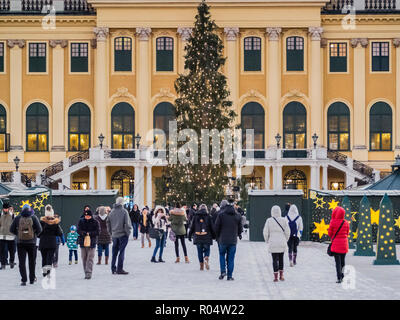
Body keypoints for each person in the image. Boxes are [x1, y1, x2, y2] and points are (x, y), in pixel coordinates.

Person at [10, 204, 42, 286]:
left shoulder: (17, 218)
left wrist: (18, 234)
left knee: (22, 262)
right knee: (32, 262)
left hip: (20, 243)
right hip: (32, 243)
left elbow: (11, 229)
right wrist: (34, 235)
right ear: (29, 209)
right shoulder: (33, 217)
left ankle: (24, 280)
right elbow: (40, 229)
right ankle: (32, 279)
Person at [215, 198, 243, 281]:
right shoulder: (237, 216)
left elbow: (216, 227)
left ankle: (223, 271)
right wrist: (238, 234)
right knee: (231, 258)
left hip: (223, 239)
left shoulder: (221, 215)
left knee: (222, 255)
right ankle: (230, 275)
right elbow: (240, 228)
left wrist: (217, 236)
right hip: (233, 240)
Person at [263, 205, 290, 282]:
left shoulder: (269, 220)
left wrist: (267, 240)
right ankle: (281, 275)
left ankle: (275, 277)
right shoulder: (284, 220)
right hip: (282, 241)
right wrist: (286, 239)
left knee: (274, 259)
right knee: (281, 259)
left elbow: (265, 232)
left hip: (273, 242)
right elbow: (288, 232)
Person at [107, 197, 132, 275]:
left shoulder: (111, 212)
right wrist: (128, 233)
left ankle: (113, 268)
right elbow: (127, 224)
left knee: (114, 252)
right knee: (121, 252)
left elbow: (108, 223)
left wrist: (111, 233)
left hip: (114, 235)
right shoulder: (124, 211)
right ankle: (119, 269)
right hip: (123, 235)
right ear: (122, 203)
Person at [188, 204, 216, 271]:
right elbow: (212, 227)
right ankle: (206, 257)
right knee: (207, 249)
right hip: (207, 236)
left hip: (198, 236)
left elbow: (192, 227)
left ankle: (201, 265)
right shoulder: (209, 216)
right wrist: (214, 236)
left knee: (199, 251)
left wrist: (189, 235)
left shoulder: (195, 216)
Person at [39, 205, 63, 277]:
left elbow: (38, 233)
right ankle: (48, 272)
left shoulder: (42, 222)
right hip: (52, 242)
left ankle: (44, 272)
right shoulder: (55, 223)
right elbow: (59, 233)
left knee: (44, 258)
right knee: (50, 258)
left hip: (43, 242)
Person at [328, 206, 350, 283]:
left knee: (338, 262)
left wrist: (334, 237)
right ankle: (343, 276)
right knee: (343, 261)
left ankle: (339, 277)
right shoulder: (346, 222)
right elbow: (347, 233)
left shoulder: (333, 222)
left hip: (336, 245)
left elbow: (330, 233)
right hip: (344, 245)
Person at [77, 209, 100, 279]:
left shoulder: (95, 222)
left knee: (90, 258)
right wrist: (83, 233)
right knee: (84, 258)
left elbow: (98, 231)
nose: (86, 217)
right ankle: (85, 271)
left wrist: (90, 233)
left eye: (88, 216)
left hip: (92, 243)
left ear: (91, 216)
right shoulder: (81, 221)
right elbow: (78, 230)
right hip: (82, 242)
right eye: (85, 215)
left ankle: (88, 273)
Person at [0, 202, 16, 270]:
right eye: (4, 209)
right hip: (2, 236)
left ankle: (11, 261)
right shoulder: (0, 215)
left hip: (11, 236)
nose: (5, 210)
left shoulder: (13, 216)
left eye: (6, 209)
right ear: (3, 209)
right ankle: (3, 264)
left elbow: (15, 225)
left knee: (12, 251)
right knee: (2, 251)